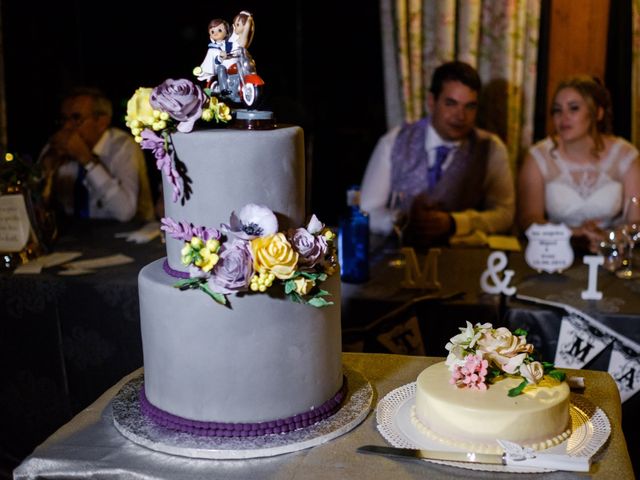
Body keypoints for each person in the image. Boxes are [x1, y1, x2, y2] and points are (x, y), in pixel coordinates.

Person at [360, 61, 515, 248]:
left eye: (470, 107)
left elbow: (505, 214)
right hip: (400, 261)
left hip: (462, 261)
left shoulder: (491, 148)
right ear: (432, 102)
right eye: (451, 104)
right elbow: (367, 210)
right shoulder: (394, 141)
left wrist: (454, 223)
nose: (460, 116)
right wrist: (402, 221)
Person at [518, 75, 640, 252]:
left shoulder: (625, 155)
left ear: (597, 113)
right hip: (553, 254)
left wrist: (609, 238)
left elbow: (637, 222)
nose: (563, 117)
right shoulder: (538, 156)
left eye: (573, 108)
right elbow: (528, 220)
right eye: (557, 110)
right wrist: (574, 233)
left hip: (613, 254)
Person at [40, 87, 154, 222]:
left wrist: (87, 161)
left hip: (126, 236)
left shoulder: (123, 146)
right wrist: (45, 171)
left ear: (102, 122)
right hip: (72, 236)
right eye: (64, 119)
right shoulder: (56, 145)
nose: (67, 127)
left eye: (76, 118)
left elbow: (125, 212)